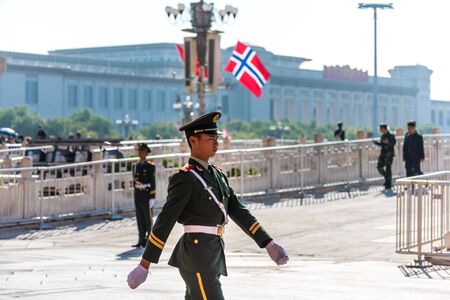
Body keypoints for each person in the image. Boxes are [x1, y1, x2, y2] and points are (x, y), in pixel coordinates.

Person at [127, 112, 289, 299]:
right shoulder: (185, 179)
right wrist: (144, 264)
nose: (216, 142)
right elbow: (165, 221)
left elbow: (237, 210)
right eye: (210, 138)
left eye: (216, 137)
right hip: (197, 255)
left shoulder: (218, 176)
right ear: (193, 140)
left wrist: (267, 242)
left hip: (213, 252)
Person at [131, 143, 156, 248]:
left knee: (147, 218)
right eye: (139, 151)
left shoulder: (150, 166)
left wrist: (152, 197)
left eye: (142, 151)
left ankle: (149, 240)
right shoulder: (135, 166)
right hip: (138, 194)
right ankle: (141, 240)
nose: (140, 153)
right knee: (139, 217)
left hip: (146, 194)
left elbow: (153, 182)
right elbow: (134, 181)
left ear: (146, 153)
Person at [373, 124, 396, 190]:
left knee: (388, 169)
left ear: (385, 129)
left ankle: (388, 183)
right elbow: (382, 144)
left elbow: (393, 144)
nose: (380, 130)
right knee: (379, 167)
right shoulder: (382, 136)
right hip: (383, 155)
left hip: (389, 155)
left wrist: (388, 142)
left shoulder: (391, 135)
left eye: (381, 129)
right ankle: (387, 178)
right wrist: (376, 143)